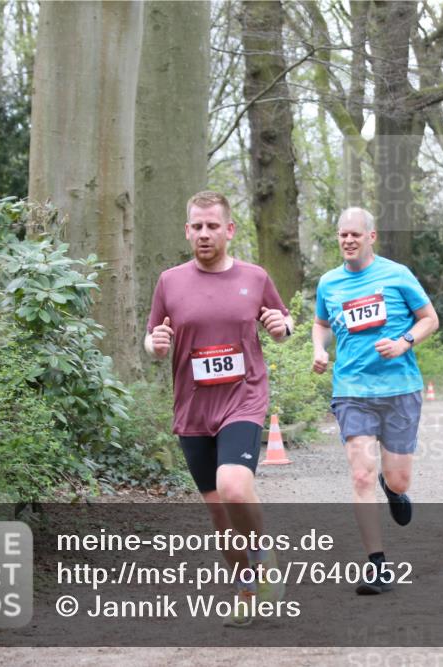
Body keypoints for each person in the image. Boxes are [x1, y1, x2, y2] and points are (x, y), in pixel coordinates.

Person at [145, 190, 294, 626]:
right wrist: (155, 345)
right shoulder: (170, 281)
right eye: (197, 226)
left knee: (232, 486)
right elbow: (154, 336)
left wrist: (280, 327)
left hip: (243, 399)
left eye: (213, 225)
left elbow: (283, 326)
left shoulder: (255, 276)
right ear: (187, 230)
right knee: (218, 512)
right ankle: (247, 591)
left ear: (229, 230)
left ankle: (265, 562)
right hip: (193, 408)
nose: (205, 233)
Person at [311, 207, 439, 595]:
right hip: (352, 391)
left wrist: (404, 343)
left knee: (397, 478)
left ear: (371, 236)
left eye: (354, 234)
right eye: (341, 235)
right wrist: (319, 349)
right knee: (360, 474)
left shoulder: (397, 275)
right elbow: (321, 323)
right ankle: (377, 566)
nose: (347, 240)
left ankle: (393, 487)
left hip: (400, 389)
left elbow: (429, 318)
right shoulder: (329, 283)